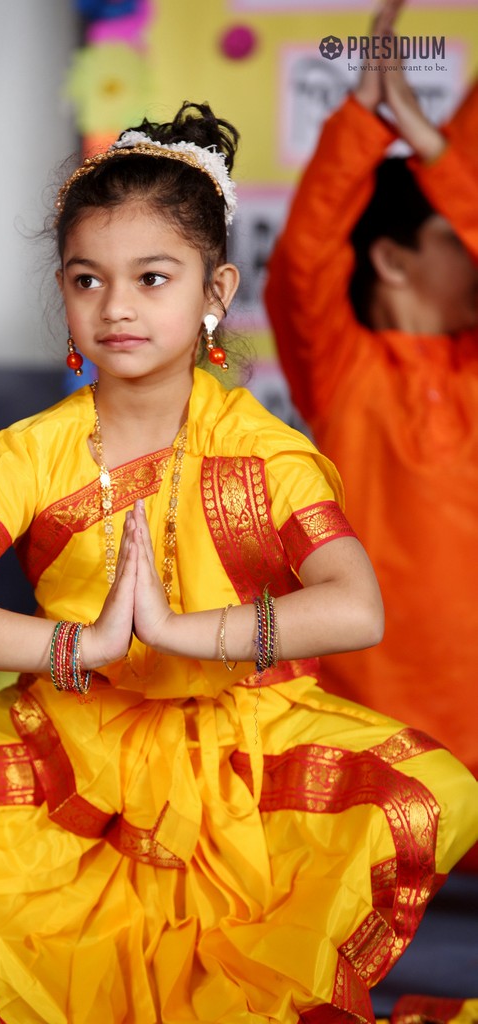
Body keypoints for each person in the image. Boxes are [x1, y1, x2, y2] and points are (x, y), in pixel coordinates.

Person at [0, 99, 477, 1024]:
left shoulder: (256, 446)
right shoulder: (31, 451)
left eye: (151, 277)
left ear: (215, 293)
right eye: (87, 280)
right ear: (62, 293)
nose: (118, 306)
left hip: (243, 741)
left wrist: (185, 633)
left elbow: (354, 606)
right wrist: (79, 647)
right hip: (77, 743)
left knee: (428, 790)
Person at [265, 0, 478, 815]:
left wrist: (431, 145)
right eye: (455, 237)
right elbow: (305, 257)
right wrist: (362, 120)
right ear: (389, 258)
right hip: (376, 741)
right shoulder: (345, 365)